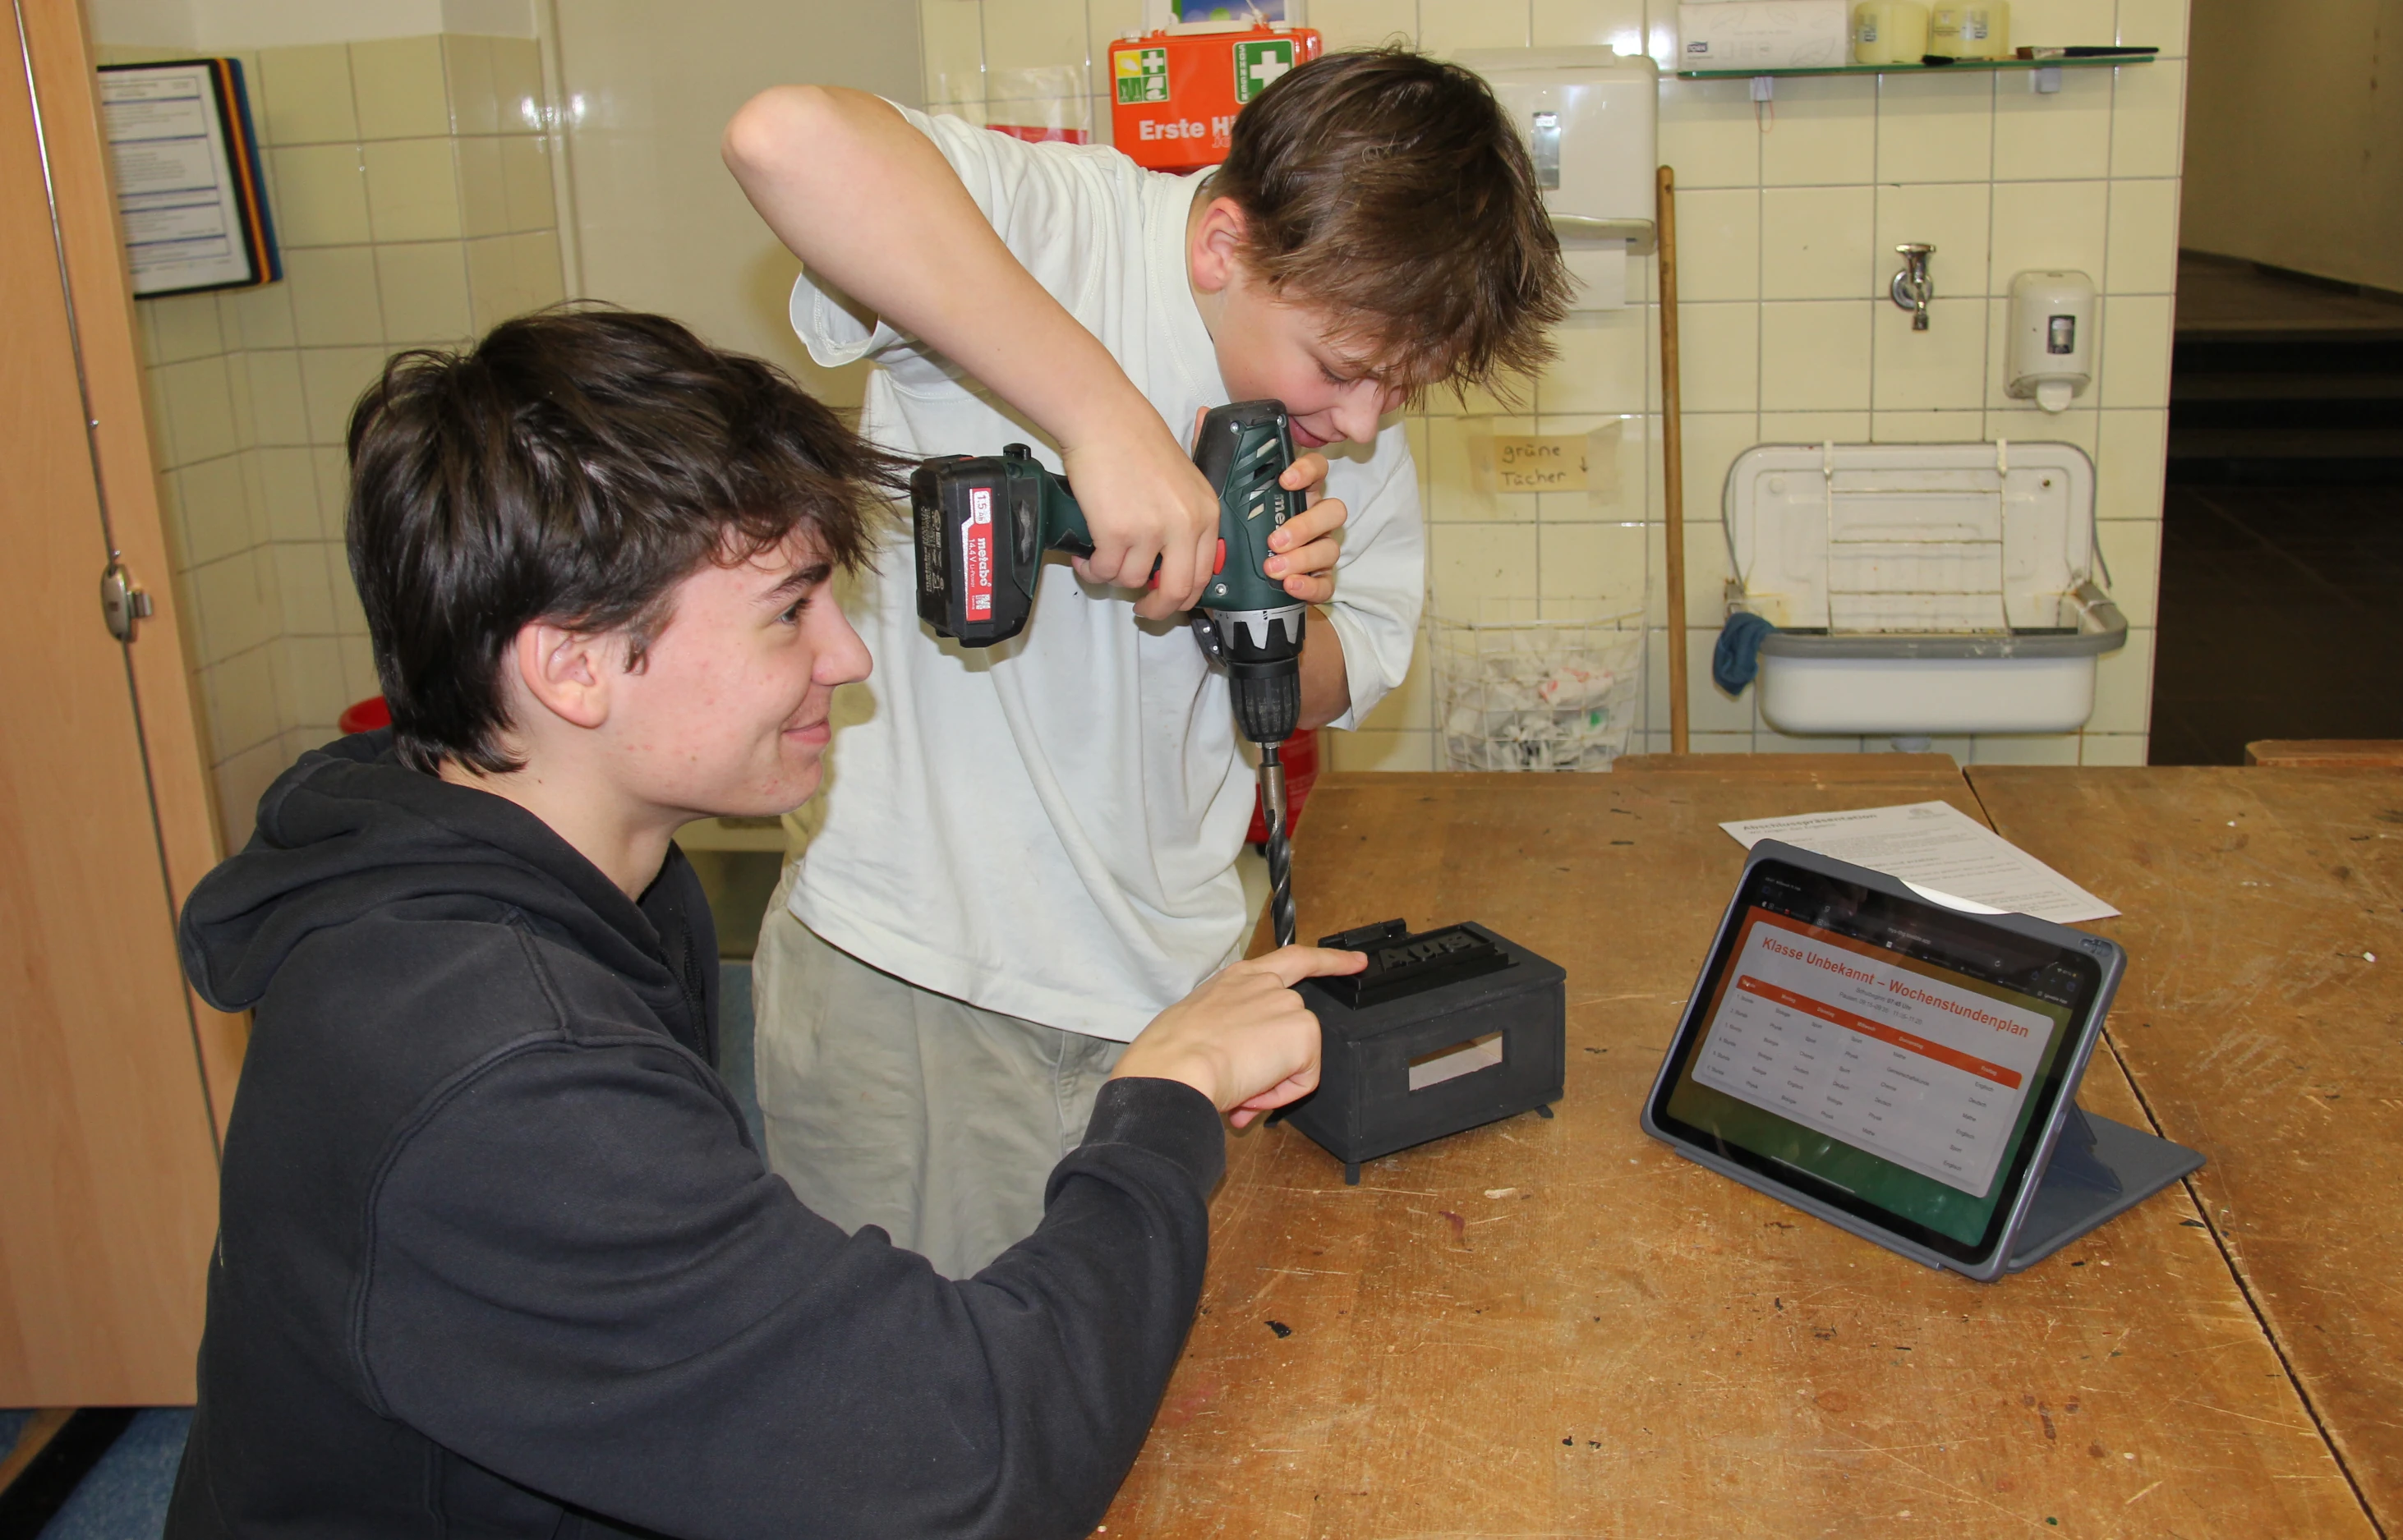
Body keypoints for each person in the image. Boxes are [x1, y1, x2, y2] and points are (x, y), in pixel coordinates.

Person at [164, 308, 1364, 1539]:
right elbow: (976, 1460)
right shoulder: (504, 1072)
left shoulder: (580, 878)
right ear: (571, 665)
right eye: (791, 612)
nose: (849, 657)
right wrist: (1163, 1096)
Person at [725, 48, 1571, 1275]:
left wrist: (1271, 613)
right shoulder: (1065, 227)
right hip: (927, 985)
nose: (1366, 424)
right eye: (1339, 371)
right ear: (1223, 244)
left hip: (1177, 993)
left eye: (1405, 391)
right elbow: (782, 131)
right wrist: (1101, 418)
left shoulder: (1354, 407)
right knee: (923, 1426)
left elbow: (1355, 661)